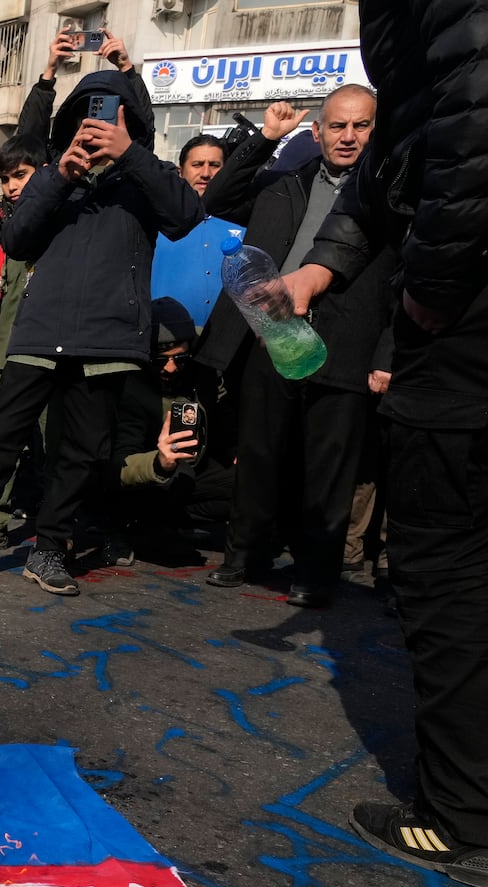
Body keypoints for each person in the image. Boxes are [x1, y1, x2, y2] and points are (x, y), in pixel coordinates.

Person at [278, 0, 488, 887]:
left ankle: (463, 817)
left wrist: (429, 285)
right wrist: (324, 265)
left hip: (464, 342)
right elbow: (408, 153)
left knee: (444, 575)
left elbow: (466, 136)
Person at [0, 67, 203, 595]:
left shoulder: (146, 174)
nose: (95, 124)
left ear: (130, 121)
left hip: (109, 340)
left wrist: (129, 152)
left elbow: (186, 216)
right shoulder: (53, 174)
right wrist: (59, 176)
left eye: (109, 113)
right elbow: (17, 239)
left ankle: (49, 550)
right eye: (86, 113)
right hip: (41, 333)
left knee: (80, 453)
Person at [199, 88, 393, 608]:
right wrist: (265, 139)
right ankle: (243, 558)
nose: (348, 137)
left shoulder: (391, 195)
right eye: (337, 127)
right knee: (259, 453)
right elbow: (214, 201)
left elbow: (407, 280)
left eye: (361, 126)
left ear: (377, 131)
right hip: (272, 334)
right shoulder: (283, 185)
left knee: (329, 467)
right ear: (318, 132)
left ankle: (314, 573)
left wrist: (387, 354)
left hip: (348, 342)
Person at [106, 298, 235, 565]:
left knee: (248, 482)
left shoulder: (204, 370)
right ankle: (133, 526)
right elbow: (121, 464)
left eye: (180, 358)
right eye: (160, 360)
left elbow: (224, 409)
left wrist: (238, 446)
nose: (171, 368)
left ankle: (174, 521)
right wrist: (159, 462)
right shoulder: (133, 386)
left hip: (192, 470)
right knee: (172, 550)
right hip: (145, 480)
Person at [0, 134, 49, 550]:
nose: (13, 185)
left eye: (21, 175)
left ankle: (57, 527)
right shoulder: (4, 223)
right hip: (5, 351)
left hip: (52, 350)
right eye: (6, 178)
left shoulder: (63, 218)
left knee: (54, 445)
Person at [150, 134, 239, 328]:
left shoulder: (244, 219)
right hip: (165, 338)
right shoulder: (153, 220)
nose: (206, 173)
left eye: (215, 165)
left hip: (225, 341)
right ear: (181, 171)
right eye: (198, 164)